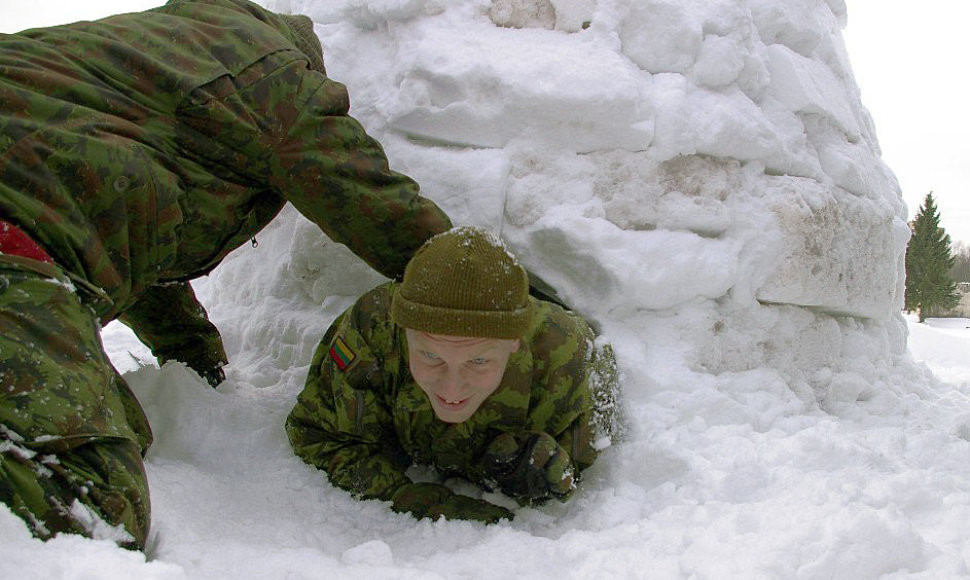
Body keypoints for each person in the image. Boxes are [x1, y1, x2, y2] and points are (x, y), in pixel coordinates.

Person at [0, 0, 452, 549]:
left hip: (26, 250)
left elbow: (124, 217)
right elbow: (370, 199)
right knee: (82, 503)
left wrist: (194, 364)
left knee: (116, 425)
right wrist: (500, 300)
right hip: (13, 254)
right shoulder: (264, 71)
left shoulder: (139, 79)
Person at [286, 227, 618, 523]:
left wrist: (550, 468)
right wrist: (419, 502)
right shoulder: (373, 330)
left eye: (478, 362)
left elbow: (596, 440)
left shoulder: (565, 355)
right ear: (403, 332)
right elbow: (320, 436)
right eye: (430, 356)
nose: (451, 387)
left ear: (516, 340)